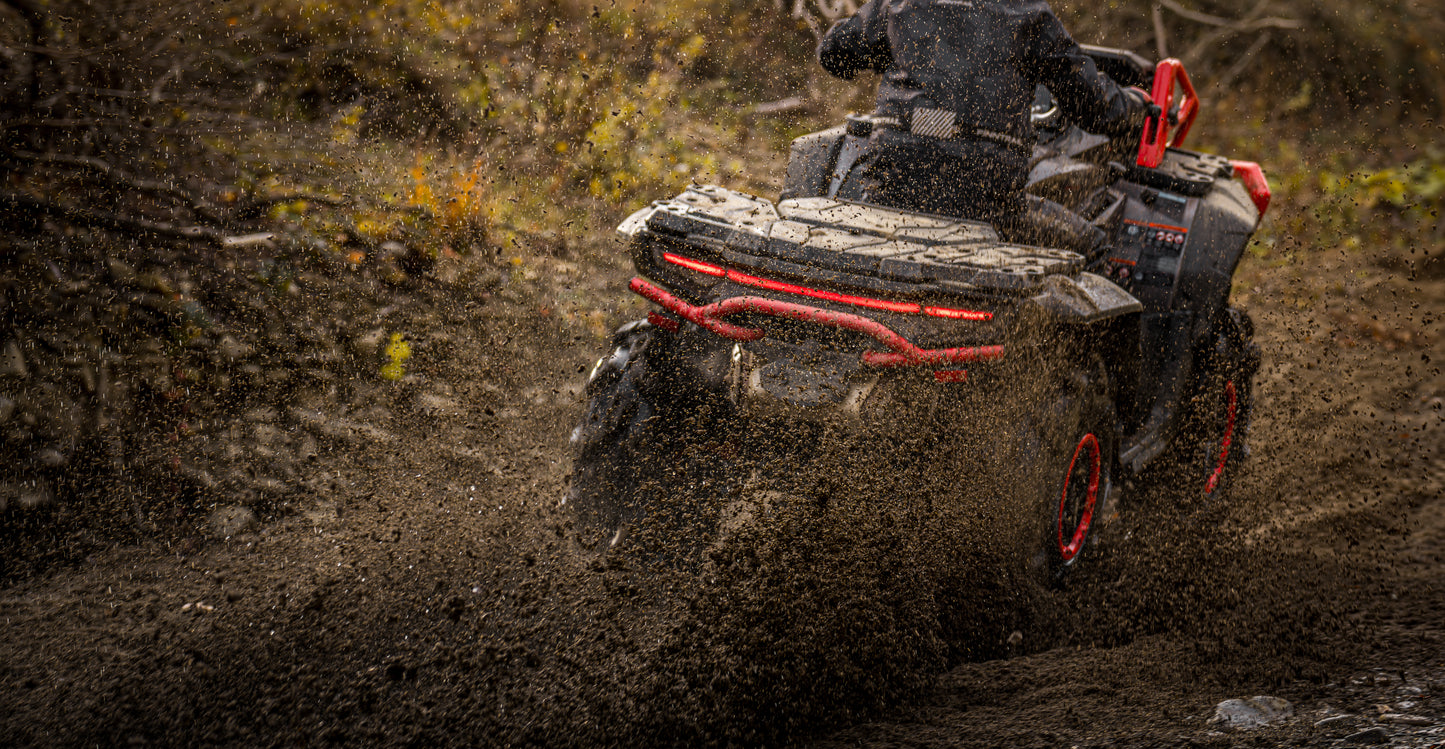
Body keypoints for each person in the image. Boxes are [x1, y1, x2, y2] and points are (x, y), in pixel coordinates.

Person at [818, 0, 1155, 262]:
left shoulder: (899, 4)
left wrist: (896, 51)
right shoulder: (1029, 12)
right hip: (986, 200)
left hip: (895, 183)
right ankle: (1049, 349)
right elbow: (1096, 109)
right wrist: (1137, 105)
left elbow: (833, 54)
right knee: (1094, 247)